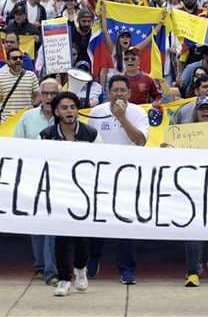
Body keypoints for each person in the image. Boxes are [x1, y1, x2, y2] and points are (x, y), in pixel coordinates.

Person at [86, 75, 149, 285]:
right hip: (101, 174)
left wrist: (122, 118)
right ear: (108, 92)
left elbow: (140, 141)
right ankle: (93, 258)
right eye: (116, 90)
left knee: (126, 223)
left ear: (129, 93)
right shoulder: (98, 112)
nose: (119, 94)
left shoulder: (138, 112)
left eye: (123, 90)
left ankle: (127, 269)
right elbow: (89, 140)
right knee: (97, 220)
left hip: (127, 176)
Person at [40, 91, 101, 297]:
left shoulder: (91, 133)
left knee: (82, 237)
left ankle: (81, 269)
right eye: (65, 108)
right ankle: (65, 279)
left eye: (73, 107)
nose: (69, 111)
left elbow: (103, 160)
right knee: (62, 237)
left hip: (84, 193)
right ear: (56, 112)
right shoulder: (46, 135)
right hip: (58, 192)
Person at [13, 78, 61, 286]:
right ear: (39, 95)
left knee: (53, 226)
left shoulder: (67, 117)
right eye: (46, 94)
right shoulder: (28, 119)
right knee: (37, 226)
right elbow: (17, 148)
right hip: (33, 178)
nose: (49, 98)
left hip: (58, 181)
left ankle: (51, 270)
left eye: (53, 94)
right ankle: (41, 266)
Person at [179, 95, 208, 287]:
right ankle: (192, 272)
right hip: (193, 191)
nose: (205, 112)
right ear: (196, 112)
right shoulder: (185, 135)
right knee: (193, 232)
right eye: (201, 109)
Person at [0, 47, 40, 124]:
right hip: (7, 122)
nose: (18, 60)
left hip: (26, 121)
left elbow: (38, 96)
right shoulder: (1, 76)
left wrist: (33, 106)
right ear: (7, 61)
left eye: (20, 58)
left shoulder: (31, 75)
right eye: (14, 58)